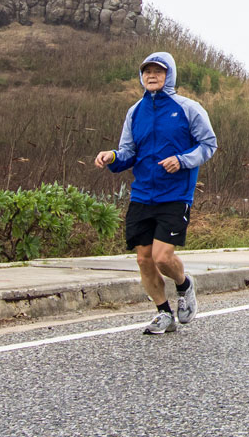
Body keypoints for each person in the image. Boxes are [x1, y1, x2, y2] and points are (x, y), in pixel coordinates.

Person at [95, 51, 217, 335]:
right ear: (142, 76)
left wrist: (182, 160)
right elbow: (128, 152)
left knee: (162, 257)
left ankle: (185, 286)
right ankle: (164, 314)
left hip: (175, 195)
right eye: (147, 71)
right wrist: (112, 156)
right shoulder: (135, 111)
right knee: (143, 259)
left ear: (169, 75)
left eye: (158, 71)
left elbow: (208, 145)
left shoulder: (188, 108)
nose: (152, 76)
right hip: (142, 195)